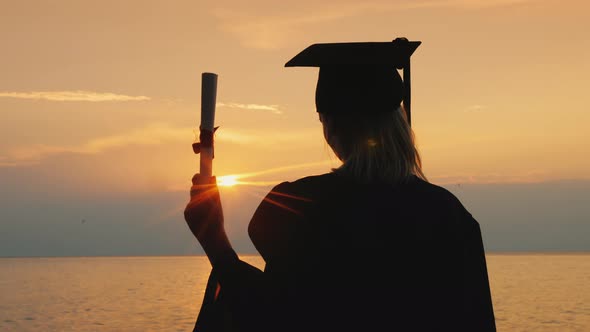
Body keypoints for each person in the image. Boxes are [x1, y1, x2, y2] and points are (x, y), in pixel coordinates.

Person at [184, 38, 496, 332]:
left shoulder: (299, 207)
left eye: (322, 120)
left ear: (330, 125)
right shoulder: (450, 216)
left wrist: (215, 241)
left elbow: (277, 316)